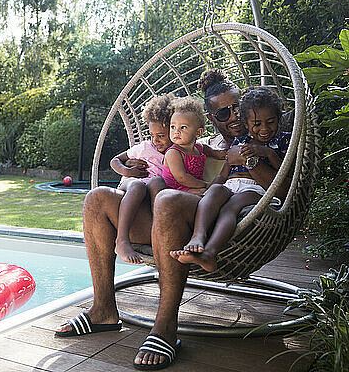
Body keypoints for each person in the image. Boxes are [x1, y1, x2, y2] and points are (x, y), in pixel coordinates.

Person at [54, 68, 253, 370]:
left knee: (166, 198)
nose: (234, 116)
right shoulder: (194, 136)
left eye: (238, 108)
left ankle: (164, 328)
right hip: (164, 219)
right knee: (96, 199)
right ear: (209, 121)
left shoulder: (263, 140)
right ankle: (103, 310)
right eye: (223, 113)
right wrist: (130, 169)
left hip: (211, 224)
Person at [170, 86, 291, 272]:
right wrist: (211, 187)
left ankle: (209, 253)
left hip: (257, 189)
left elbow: (284, 171)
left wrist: (266, 152)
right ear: (246, 122)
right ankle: (198, 237)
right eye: (257, 124)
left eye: (271, 122)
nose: (264, 129)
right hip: (231, 184)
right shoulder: (240, 142)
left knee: (231, 206)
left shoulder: (282, 141)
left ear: (279, 119)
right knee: (215, 193)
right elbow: (224, 172)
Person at [110, 94, 173, 264]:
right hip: (130, 186)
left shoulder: (177, 154)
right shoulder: (145, 147)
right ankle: (121, 240)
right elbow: (115, 160)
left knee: (157, 183)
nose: (155, 140)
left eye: (161, 135)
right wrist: (127, 171)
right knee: (138, 186)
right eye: (152, 135)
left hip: (151, 194)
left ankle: (157, 237)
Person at [161, 98, 209, 195]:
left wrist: (222, 154)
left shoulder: (198, 148)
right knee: (205, 192)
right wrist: (206, 184)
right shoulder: (173, 153)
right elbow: (181, 178)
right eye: (173, 127)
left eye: (183, 127)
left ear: (198, 132)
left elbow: (210, 150)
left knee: (211, 193)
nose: (176, 131)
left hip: (191, 187)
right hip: (174, 190)